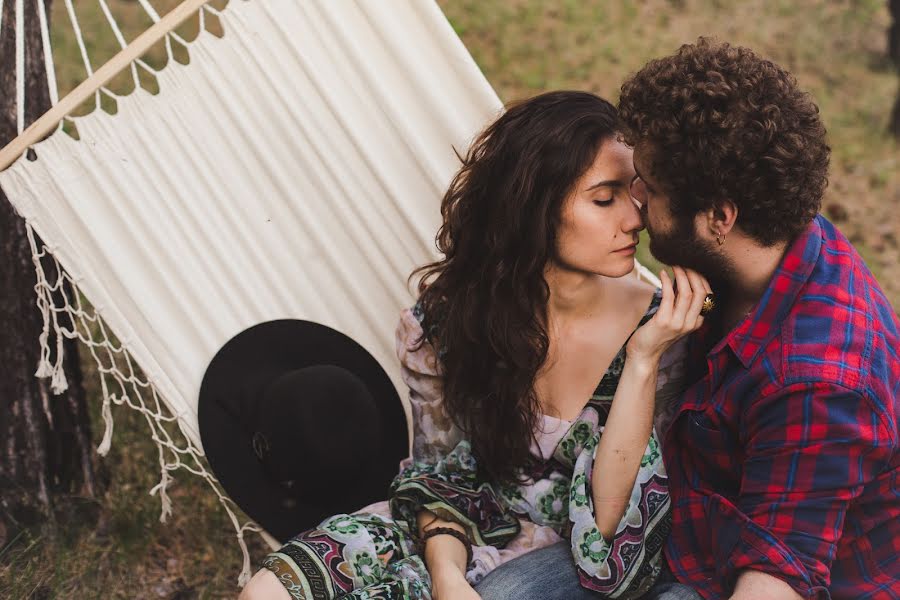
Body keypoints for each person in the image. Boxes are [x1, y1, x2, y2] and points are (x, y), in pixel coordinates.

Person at [239, 91, 710, 599]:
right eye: (604, 199)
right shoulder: (449, 322)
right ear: (534, 208)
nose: (634, 219)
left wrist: (641, 361)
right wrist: (447, 578)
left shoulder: (660, 331)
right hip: (446, 535)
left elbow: (614, 532)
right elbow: (440, 474)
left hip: (562, 559)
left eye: (632, 192)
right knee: (267, 592)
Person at [481, 39, 900, 600]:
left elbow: (778, 577)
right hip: (687, 524)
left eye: (648, 190)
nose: (635, 203)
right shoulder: (764, 237)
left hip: (749, 574)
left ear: (719, 217)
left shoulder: (820, 381)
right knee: (505, 592)